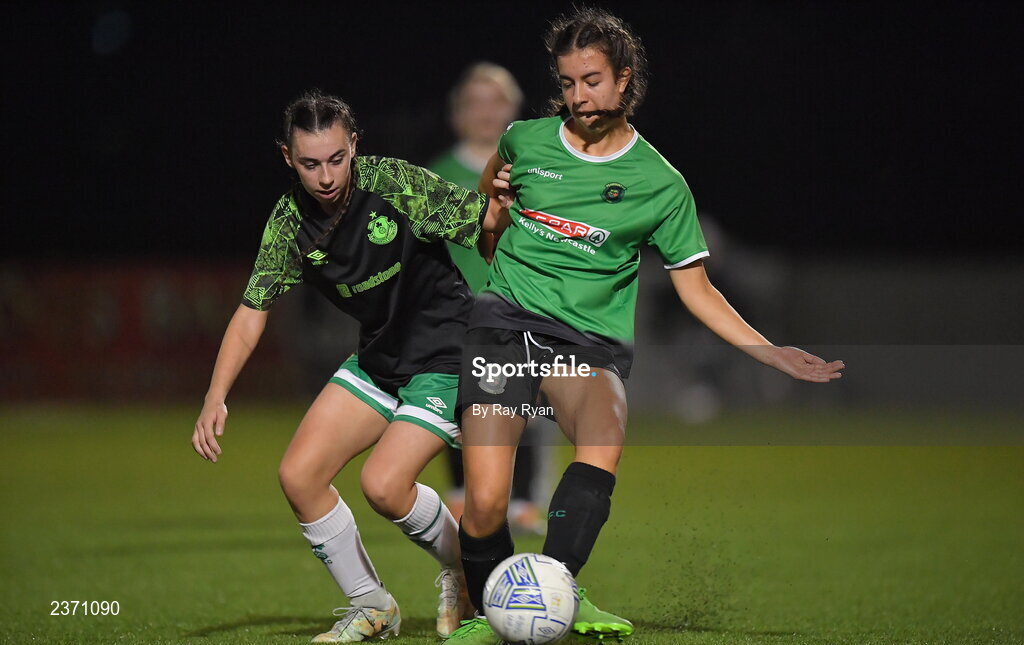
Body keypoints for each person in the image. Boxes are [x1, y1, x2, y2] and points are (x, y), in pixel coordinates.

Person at [445, 8, 844, 643]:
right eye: (569, 82)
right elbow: (490, 231)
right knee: (488, 502)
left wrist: (769, 353)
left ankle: (556, 588)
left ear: (626, 80)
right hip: (502, 325)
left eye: (594, 80)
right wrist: (493, 213)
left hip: (583, 341)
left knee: (604, 430)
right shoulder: (525, 140)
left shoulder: (660, 184)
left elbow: (696, 287)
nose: (580, 97)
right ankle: (489, 609)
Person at [191, 90, 510, 643]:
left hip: (448, 353)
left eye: (337, 159)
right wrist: (215, 396)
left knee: (384, 486)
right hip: (380, 358)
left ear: (354, 146)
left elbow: (483, 221)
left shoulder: (393, 184)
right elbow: (251, 311)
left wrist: (501, 216)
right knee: (299, 476)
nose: (326, 176)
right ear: (288, 159)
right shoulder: (290, 222)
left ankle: (465, 570)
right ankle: (372, 605)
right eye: (310, 163)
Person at [428, 62, 547, 535]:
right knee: (460, 406)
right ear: (457, 114)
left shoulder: (541, 173)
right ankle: (461, 494)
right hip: (457, 315)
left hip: (525, 307)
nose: (485, 112)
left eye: (496, 101)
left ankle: (523, 500)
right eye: (474, 102)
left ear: (515, 111)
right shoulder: (435, 176)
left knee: (529, 406)